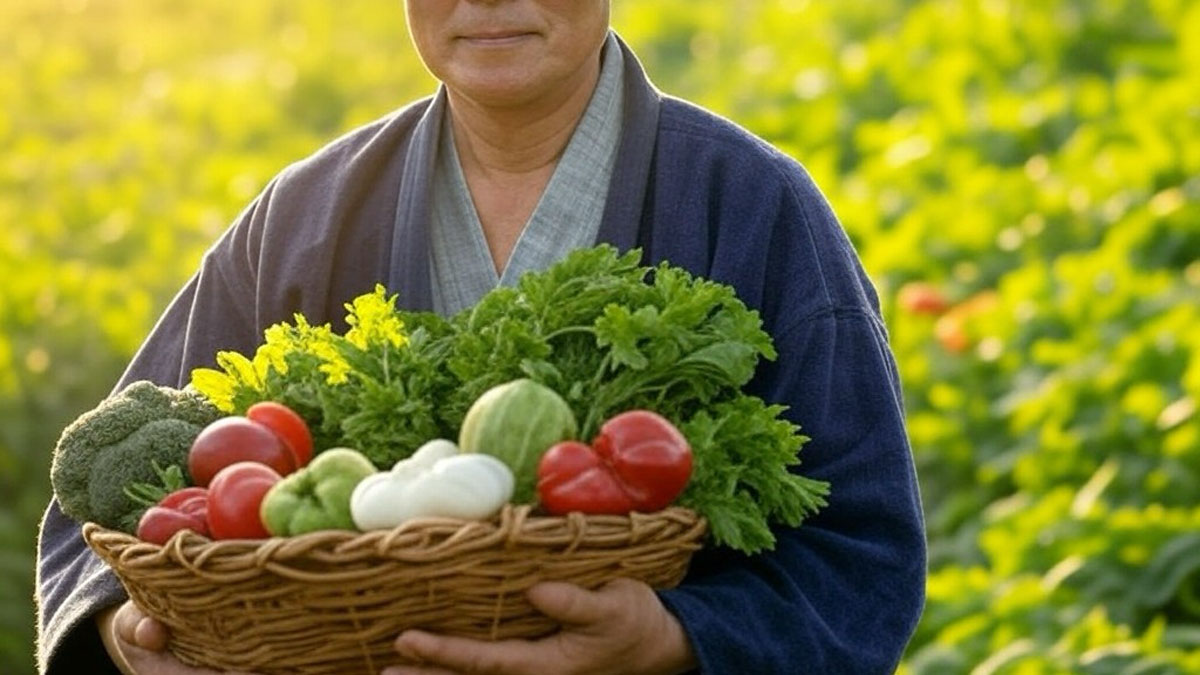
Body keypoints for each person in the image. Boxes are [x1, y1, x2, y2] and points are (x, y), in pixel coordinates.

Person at [36, 1, 927, 673]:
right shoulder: (306, 217)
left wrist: (675, 638)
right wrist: (126, 634)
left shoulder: (754, 207)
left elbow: (862, 557)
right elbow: (95, 521)